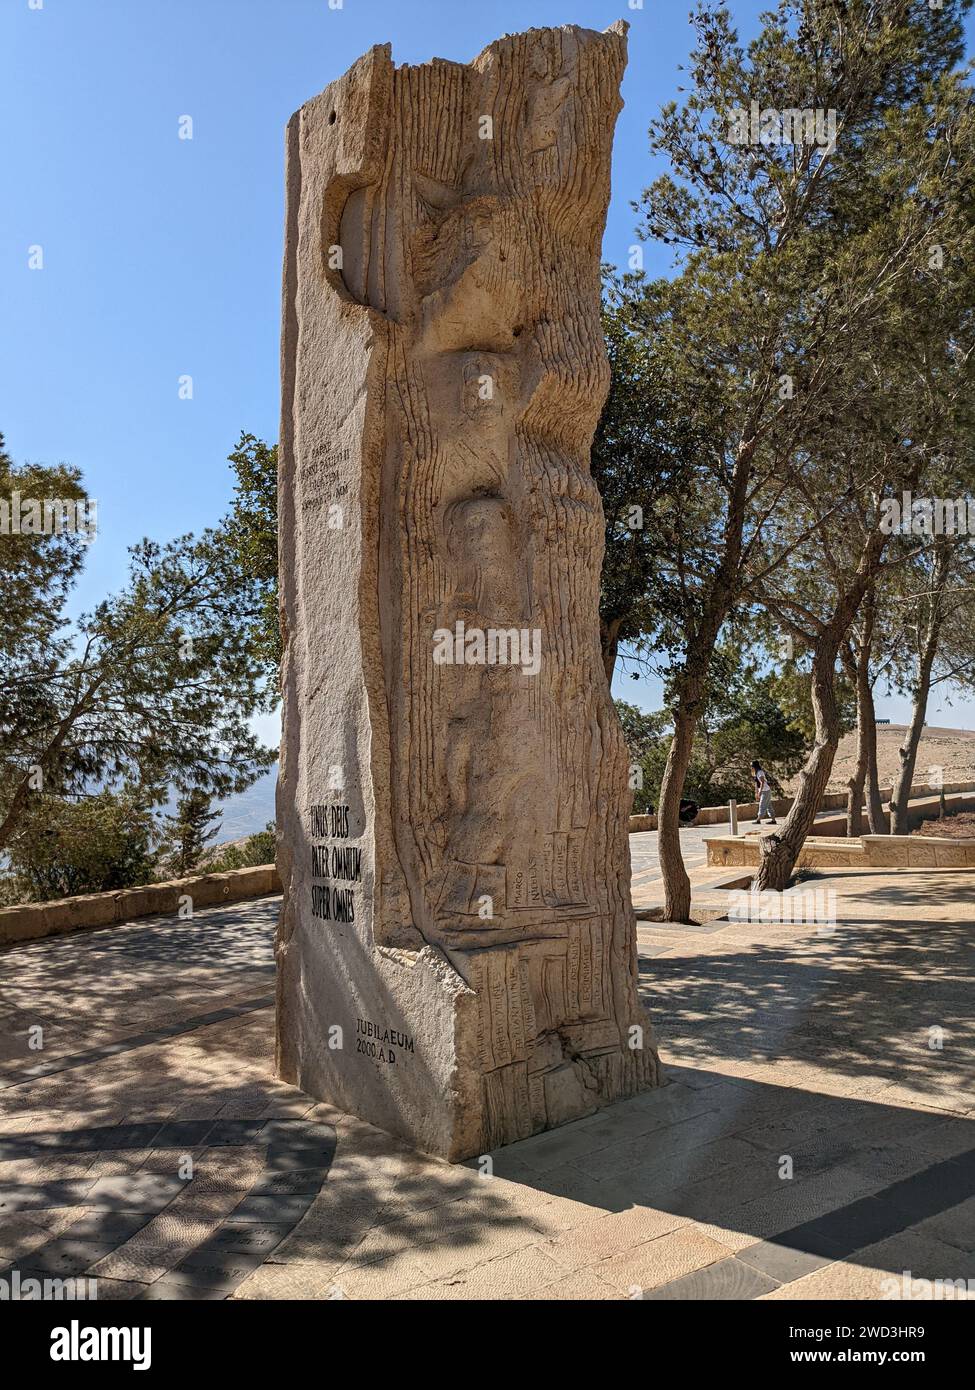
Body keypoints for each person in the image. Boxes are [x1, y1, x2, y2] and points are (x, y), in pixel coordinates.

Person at [752, 760, 777, 825]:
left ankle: (758, 820)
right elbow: (756, 784)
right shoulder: (756, 773)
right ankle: (773, 820)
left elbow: (762, 782)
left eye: (752, 766)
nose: (751, 768)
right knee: (769, 805)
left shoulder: (760, 772)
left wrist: (760, 792)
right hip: (765, 791)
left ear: (755, 766)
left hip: (765, 791)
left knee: (762, 805)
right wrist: (756, 793)